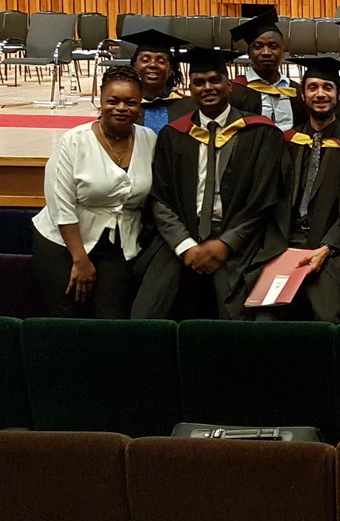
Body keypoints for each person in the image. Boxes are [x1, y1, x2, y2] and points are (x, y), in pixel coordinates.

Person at [131, 48, 284, 320]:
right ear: (189, 88)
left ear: (229, 84)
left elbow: (263, 199)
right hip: (182, 236)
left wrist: (226, 243)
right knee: (147, 313)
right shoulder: (174, 135)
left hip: (238, 238)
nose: (207, 88)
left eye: (215, 80)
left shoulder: (260, 132)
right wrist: (185, 245)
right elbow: (160, 199)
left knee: (235, 316)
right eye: (199, 82)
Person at [31, 66, 155, 318]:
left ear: (139, 105)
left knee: (111, 318)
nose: (122, 107)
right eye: (113, 101)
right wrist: (80, 259)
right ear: (100, 101)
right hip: (63, 244)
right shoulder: (74, 141)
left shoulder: (148, 139)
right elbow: (60, 205)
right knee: (66, 316)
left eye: (130, 102)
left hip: (119, 245)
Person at [260, 56, 340, 323]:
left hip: (331, 247)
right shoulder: (287, 140)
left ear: (339, 94)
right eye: (313, 87)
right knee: (265, 320)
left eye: (327, 87)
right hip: (285, 244)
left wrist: (329, 246)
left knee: (328, 318)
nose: (320, 94)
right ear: (302, 94)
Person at [228, 7, 302, 132]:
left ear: (283, 52)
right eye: (258, 47)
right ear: (249, 53)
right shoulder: (236, 92)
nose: (266, 52)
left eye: (273, 46)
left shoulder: (296, 91)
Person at [120, 29, 191, 134]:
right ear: (134, 66)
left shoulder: (187, 106)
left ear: (171, 70)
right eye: (145, 60)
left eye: (161, 61)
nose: (152, 65)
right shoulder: (122, 106)